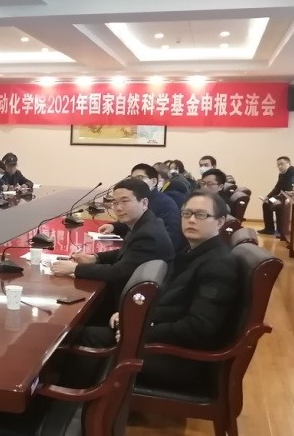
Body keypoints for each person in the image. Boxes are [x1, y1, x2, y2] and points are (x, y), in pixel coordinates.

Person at [66, 191, 240, 389]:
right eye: (186, 213)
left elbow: (199, 328)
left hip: (179, 360)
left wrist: (139, 331)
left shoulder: (218, 264)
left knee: (83, 337)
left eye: (201, 215)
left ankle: (74, 401)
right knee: (83, 331)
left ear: (220, 222)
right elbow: (175, 304)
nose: (191, 220)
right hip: (163, 341)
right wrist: (130, 317)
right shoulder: (195, 252)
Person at [51, 178, 175, 323]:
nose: (118, 208)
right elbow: (126, 253)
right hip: (128, 297)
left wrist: (75, 268)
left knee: (64, 318)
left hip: (132, 309)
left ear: (144, 203)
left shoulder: (148, 234)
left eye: (125, 201)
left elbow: (118, 272)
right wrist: (94, 257)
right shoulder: (145, 223)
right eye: (115, 203)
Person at [103, 164, 185, 252]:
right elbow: (134, 222)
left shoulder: (165, 203)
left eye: (140, 178)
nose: (135, 182)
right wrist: (114, 227)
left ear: (154, 181)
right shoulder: (141, 198)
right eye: (132, 179)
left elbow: (172, 237)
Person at [258, 156, 294, 235]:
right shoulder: (282, 174)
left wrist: (280, 198)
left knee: (278, 205)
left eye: (282, 164)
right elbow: (277, 188)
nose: (280, 166)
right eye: (278, 165)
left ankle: (282, 230)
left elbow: (292, 188)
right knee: (266, 203)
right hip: (283, 196)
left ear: (288, 163)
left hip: (292, 198)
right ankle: (269, 229)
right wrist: (267, 197)